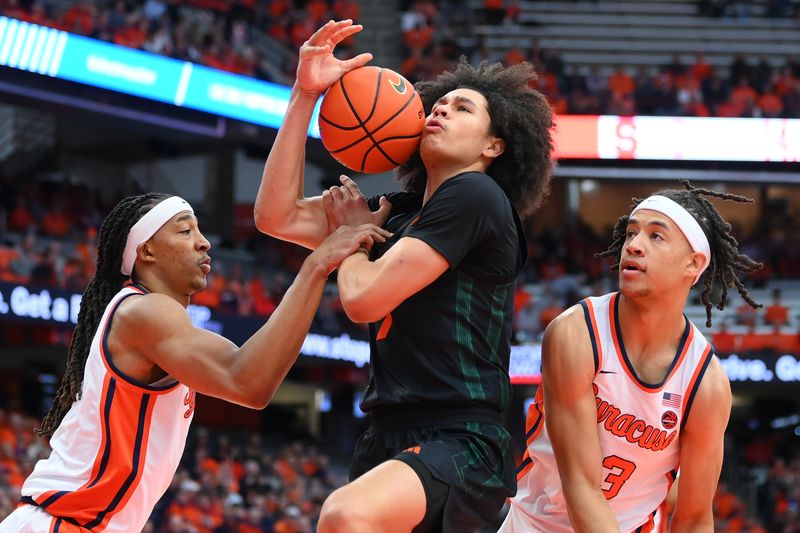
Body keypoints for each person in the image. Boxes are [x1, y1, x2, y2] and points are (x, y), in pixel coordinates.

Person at [253, 19, 554, 532]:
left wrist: (349, 240)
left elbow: (363, 299)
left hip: (462, 437)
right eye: (440, 102)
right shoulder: (396, 213)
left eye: (463, 109)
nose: (441, 108)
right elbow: (275, 216)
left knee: (345, 515)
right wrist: (305, 95)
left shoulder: (476, 196)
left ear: (493, 147)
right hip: (386, 431)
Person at [0, 193, 389, 532]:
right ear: (146, 251)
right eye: (185, 232)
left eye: (200, 231)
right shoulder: (144, 312)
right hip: (60, 524)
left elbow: (251, 371)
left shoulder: (159, 320)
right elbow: (249, 382)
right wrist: (317, 265)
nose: (204, 243)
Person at [500, 180, 763, 532]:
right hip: (535, 525)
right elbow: (583, 487)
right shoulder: (576, 333)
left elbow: (695, 517)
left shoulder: (706, 382)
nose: (634, 246)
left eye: (656, 236)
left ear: (693, 263)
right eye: (631, 234)